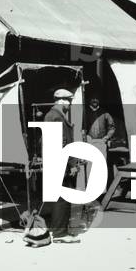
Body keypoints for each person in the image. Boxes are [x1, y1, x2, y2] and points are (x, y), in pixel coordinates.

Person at [43, 88, 78, 242]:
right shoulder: (56, 116)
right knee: (63, 198)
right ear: (62, 101)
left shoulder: (53, 115)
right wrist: (71, 164)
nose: (70, 104)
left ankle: (58, 230)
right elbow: (62, 143)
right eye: (69, 101)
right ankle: (60, 234)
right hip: (60, 163)